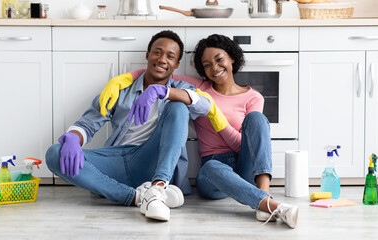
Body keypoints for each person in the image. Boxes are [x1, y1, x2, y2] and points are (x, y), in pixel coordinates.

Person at [99, 34, 299, 228]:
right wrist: (119, 80)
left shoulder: (253, 97)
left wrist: (218, 120)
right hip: (213, 172)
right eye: (207, 65)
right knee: (212, 167)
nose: (214, 68)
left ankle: (264, 200)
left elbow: (247, 145)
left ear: (232, 58)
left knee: (257, 119)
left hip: (245, 164)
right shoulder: (199, 87)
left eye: (219, 59)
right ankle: (270, 206)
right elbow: (160, 71)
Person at [45, 30, 211, 222]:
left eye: (170, 56)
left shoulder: (181, 89)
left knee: (179, 107)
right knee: (55, 153)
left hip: (153, 160)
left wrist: (163, 92)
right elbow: (87, 124)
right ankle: (137, 197)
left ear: (176, 64)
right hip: (116, 160)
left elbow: (205, 105)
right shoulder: (120, 89)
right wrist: (74, 137)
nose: (162, 59)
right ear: (148, 55)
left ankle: (157, 188)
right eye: (157, 52)